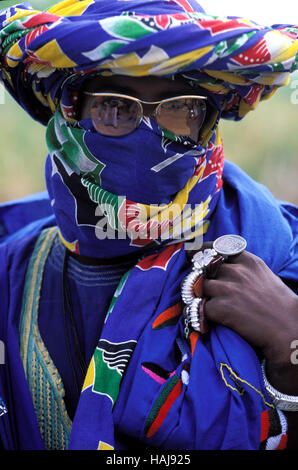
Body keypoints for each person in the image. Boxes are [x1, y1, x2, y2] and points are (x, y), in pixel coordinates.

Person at [0, 0, 297, 451]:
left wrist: (290, 343)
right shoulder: (10, 274)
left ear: (208, 125)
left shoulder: (282, 258)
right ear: (69, 115)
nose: (149, 133)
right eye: (113, 108)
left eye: (181, 110)